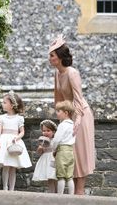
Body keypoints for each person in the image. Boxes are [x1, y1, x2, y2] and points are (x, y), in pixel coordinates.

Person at [48, 34, 95, 195]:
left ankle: (80, 192)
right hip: (69, 115)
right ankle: (74, 194)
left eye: (52, 55)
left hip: (81, 115)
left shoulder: (72, 73)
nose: (50, 58)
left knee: (79, 153)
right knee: (69, 152)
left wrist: (77, 120)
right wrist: (61, 119)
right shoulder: (57, 73)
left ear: (60, 57)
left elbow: (78, 98)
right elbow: (58, 98)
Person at [0, 91, 31, 191]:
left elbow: (22, 132)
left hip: (14, 142)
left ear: (12, 105)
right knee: (6, 165)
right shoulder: (2, 118)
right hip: (4, 142)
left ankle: (12, 188)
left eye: (4, 102)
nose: (2, 104)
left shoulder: (19, 119)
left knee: (13, 167)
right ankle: (5, 187)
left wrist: (17, 137)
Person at [52, 100, 76, 194]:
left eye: (58, 111)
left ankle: (60, 196)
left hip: (62, 151)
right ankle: (71, 196)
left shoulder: (62, 125)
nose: (57, 113)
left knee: (61, 175)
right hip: (70, 151)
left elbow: (56, 140)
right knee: (69, 176)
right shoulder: (73, 125)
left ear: (66, 113)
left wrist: (54, 149)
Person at [32, 120, 58, 193]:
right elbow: (39, 152)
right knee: (50, 178)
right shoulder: (42, 140)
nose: (45, 132)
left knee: (55, 177)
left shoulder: (55, 140)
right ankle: (51, 193)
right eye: (44, 131)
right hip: (45, 160)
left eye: (48, 130)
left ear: (53, 132)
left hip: (53, 159)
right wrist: (40, 148)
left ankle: (58, 194)